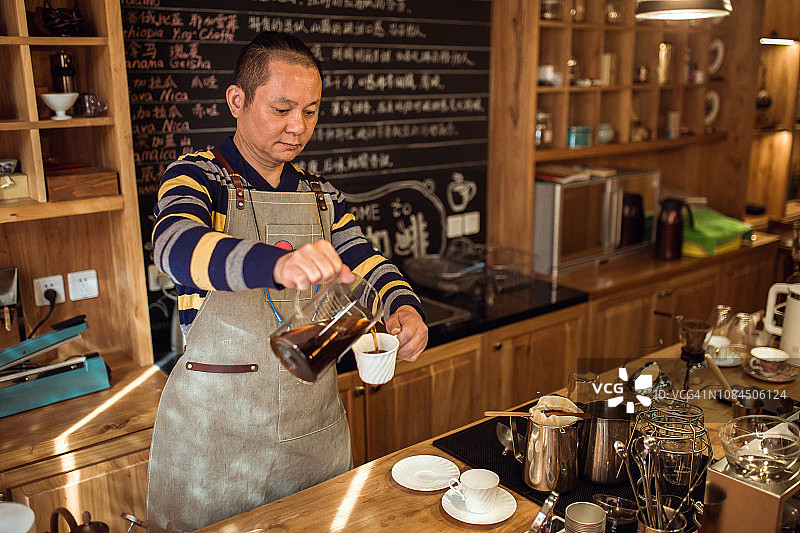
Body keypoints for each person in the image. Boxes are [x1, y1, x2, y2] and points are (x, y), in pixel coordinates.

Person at [146, 31, 428, 532]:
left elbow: (366, 262)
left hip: (311, 437)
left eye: (311, 111)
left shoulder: (323, 198)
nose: (298, 127)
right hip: (214, 450)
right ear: (237, 100)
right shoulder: (195, 177)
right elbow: (174, 246)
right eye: (282, 109)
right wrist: (275, 265)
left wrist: (402, 307)